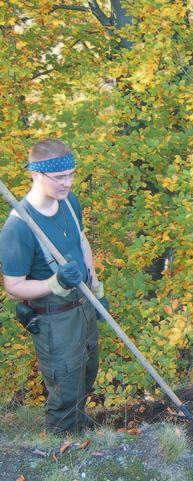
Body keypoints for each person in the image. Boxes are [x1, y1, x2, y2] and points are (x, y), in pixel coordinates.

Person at [0, 139, 108, 433]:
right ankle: (64, 451)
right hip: (54, 317)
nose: (68, 182)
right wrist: (54, 282)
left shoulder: (69, 203)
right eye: (60, 177)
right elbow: (13, 286)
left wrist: (96, 289)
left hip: (83, 303)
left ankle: (80, 431)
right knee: (65, 386)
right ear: (36, 174)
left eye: (72, 174)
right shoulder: (18, 227)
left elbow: (81, 241)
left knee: (87, 372)